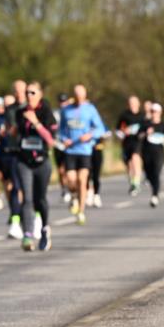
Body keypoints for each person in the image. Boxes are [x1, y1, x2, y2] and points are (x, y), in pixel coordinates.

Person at [14, 87, 57, 251]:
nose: (28, 95)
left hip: (42, 161)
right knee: (27, 198)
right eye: (27, 93)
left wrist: (36, 123)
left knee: (41, 199)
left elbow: (51, 140)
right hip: (24, 161)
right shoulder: (20, 112)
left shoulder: (46, 112)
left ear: (40, 95)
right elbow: (17, 134)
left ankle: (45, 229)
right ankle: (28, 235)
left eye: (32, 92)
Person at [57, 85, 106, 225]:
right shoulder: (66, 110)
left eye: (81, 96)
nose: (78, 98)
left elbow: (100, 128)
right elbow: (60, 130)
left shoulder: (90, 109)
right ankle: (73, 196)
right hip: (70, 150)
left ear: (84, 96)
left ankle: (81, 211)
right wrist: (63, 138)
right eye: (76, 96)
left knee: (82, 180)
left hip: (85, 150)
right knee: (71, 180)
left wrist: (90, 135)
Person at [0, 83, 28, 239]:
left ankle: (33, 218)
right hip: (14, 152)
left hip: (29, 153)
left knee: (28, 190)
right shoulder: (10, 109)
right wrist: (6, 131)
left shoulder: (31, 108)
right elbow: (7, 126)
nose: (18, 94)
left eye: (21, 91)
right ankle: (15, 221)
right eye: (15, 91)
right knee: (15, 188)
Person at [140, 103, 164, 207]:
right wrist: (146, 133)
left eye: (155, 111)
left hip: (159, 153)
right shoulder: (145, 124)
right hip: (146, 152)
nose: (153, 114)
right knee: (149, 174)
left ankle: (155, 195)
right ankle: (153, 188)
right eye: (152, 111)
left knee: (156, 173)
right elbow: (138, 136)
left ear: (160, 113)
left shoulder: (163, 125)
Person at [116, 95, 146, 196]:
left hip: (138, 142)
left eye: (134, 103)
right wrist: (123, 133)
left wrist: (143, 133)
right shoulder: (124, 116)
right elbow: (118, 130)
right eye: (130, 103)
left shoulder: (142, 116)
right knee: (129, 165)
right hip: (127, 143)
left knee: (135, 159)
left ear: (138, 104)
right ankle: (132, 182)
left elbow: (147, 129)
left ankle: (136, 183)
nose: (132, 105)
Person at [54, 92, 72, 203]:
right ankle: (64, 189)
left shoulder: (71, 112)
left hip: (70, 145)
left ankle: (72, 189)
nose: (63, 104)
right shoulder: (55, 113)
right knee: (61, 170)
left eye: (65, 101)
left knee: (69, 170)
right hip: (58, 144)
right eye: (61, 102)